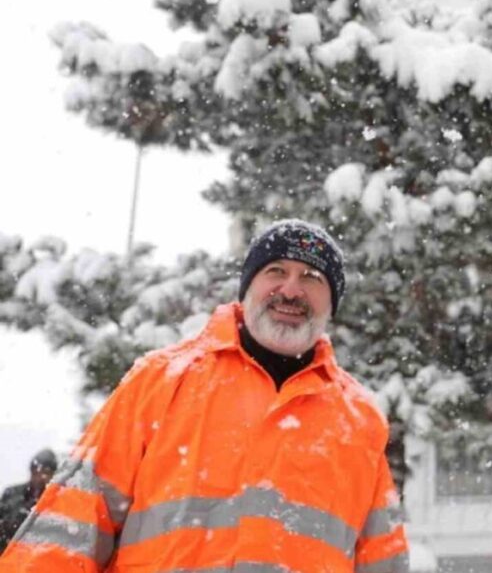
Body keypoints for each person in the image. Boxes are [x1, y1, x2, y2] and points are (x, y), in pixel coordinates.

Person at [0, 219, 409, 572]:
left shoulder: (359, 420)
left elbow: (382, 557)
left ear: (331, 303)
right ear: (247, 287)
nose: (291, 290)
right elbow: (71, 526)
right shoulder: (160, 381)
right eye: (276, 271)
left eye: (312, 278)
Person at [0, 449, 58, 552]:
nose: (40, 477)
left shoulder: (56, 501)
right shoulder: (12, 494)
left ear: (53, 475)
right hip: (7, 555)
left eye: (46, 473)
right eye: (37, 472)